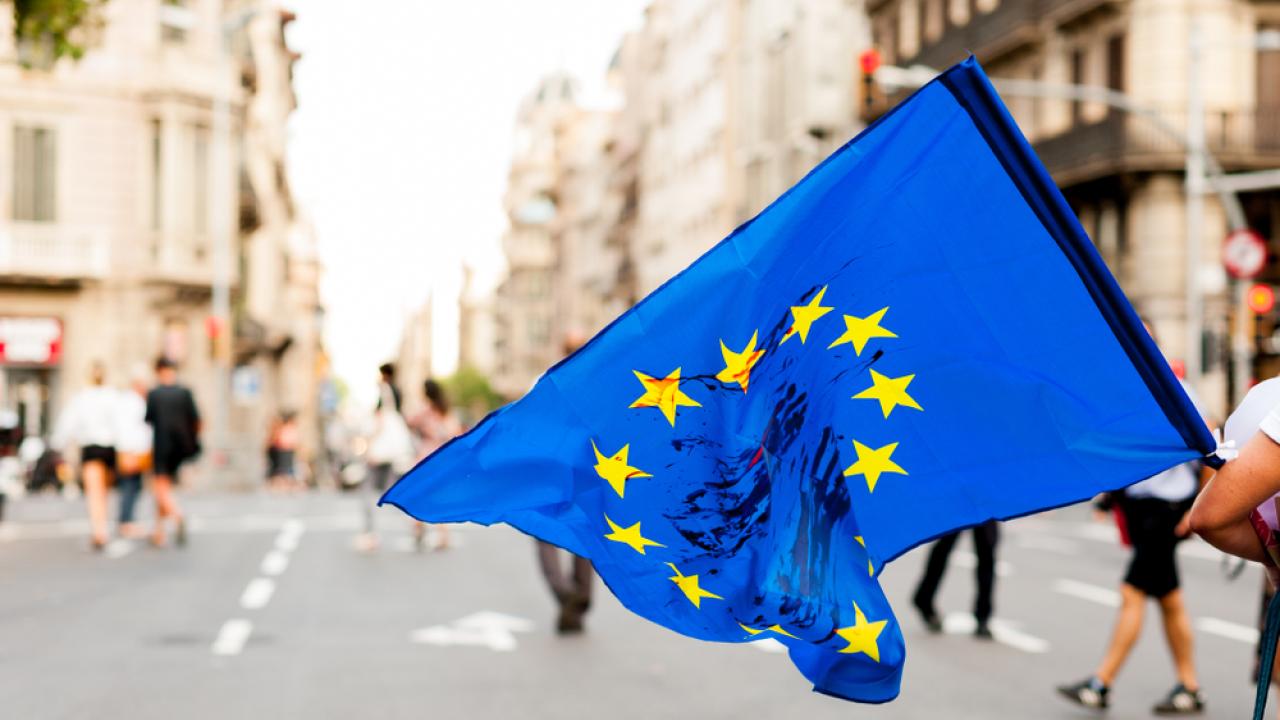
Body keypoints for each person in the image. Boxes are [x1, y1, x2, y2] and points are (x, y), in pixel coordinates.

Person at [1059, 364, 1211, 715]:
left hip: (1166, 511)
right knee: (1170, 600)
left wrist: (1195, 510)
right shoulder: (1129, 396)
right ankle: (1189, 686)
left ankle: (1101, 683)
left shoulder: (1181, 393)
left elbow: (1207, 450)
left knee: (1133, 591)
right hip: (1144, 513)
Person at [536, 333, 595, 634]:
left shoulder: (547, 383)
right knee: (583, 535)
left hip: (551, 473)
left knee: (546, 535)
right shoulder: (598, 384)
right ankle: (579, 598)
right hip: (586, 473)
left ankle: (567, 595)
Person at [52, 362, 121, 550]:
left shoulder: (82, 397)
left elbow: (68, 423)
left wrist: (58, 445)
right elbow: (121, 424)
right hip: (109, 448)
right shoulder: (112, 396)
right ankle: (103, 529)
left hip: (91, 447)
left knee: (94, 492)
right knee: (103, 492)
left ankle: (98, 530)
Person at [911, 520, 1000, 639]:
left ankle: (983, 616)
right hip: (961, 502)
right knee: (944, 544)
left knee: (986, 550)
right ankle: (924, 598)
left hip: (985, 503)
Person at [145, 357, 199, 548]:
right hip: (180, 449)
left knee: (160, 487)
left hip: (162, 446)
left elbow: (148, 419)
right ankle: (159, 532)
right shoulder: (185, 393)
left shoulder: (155, 394)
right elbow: (196, 419)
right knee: (164, 487)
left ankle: (177, 516)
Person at [357, 363, 412, 551]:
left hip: (382, 448)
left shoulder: (384, 391)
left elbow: (380, 421)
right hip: (395, 445)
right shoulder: (399, 392)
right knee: (393, 490)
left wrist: (369, 444)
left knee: (367, 491)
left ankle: (370, 534)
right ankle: (414, 522)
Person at [407, 379, 462, 550]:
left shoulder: (426, 411)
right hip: (442, 458)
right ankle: (443, 535)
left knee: (418, 494)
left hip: (426, 456)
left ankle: (418, 528)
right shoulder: (446, 411)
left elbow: (410, 421)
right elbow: (455, 432)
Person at [114, 366, 152, 539]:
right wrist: (128, 451)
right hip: (131, 450)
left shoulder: (137, 400)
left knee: (134, 486)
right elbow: (126, 428)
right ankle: (126, 521)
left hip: (137, 450)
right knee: (129, 486)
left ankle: (128, 519)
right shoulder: (130, 401)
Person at [266, 411, 300, 493]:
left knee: (286, 469)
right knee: (280, 469)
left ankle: (286, 485)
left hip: (287, 449)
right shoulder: (281, 428)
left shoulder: (289, 427)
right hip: (282, 449)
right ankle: (278, 485)